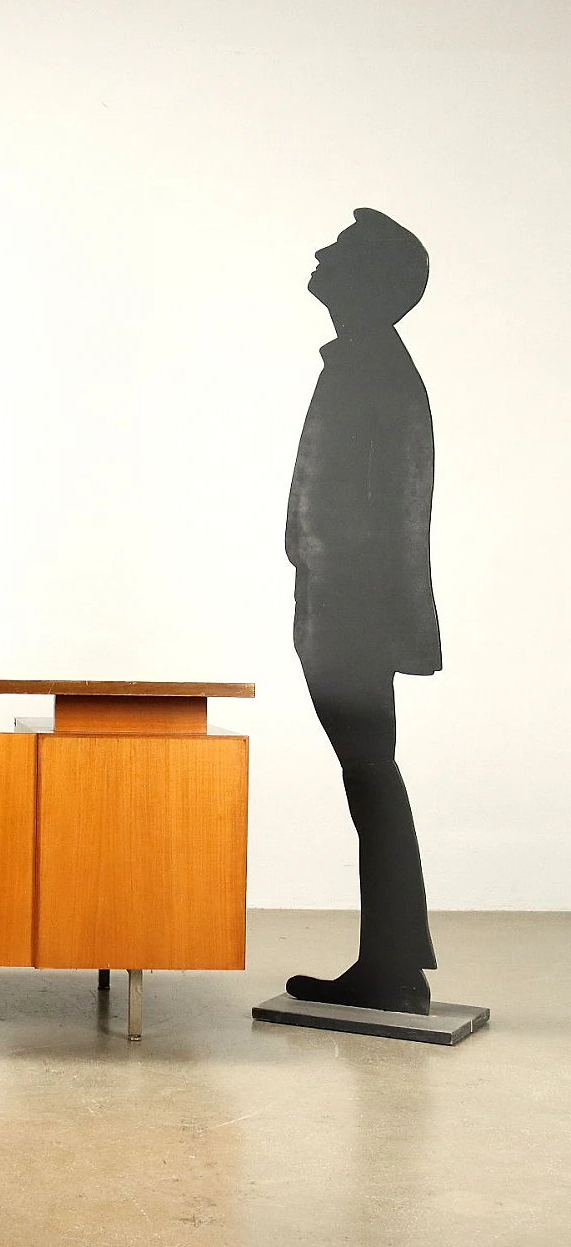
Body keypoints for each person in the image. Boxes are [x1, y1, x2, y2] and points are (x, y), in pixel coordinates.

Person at [284, 208, 440, 1015]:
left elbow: (383, 511)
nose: (320, 254)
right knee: (372, 778)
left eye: (340, 252)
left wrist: (328, 586)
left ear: (372, 281)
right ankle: (393, 964)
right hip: (346, 610)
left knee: (371, 778)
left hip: (349, 614)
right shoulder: (369, 362)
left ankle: (393, 970)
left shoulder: (371, 368)